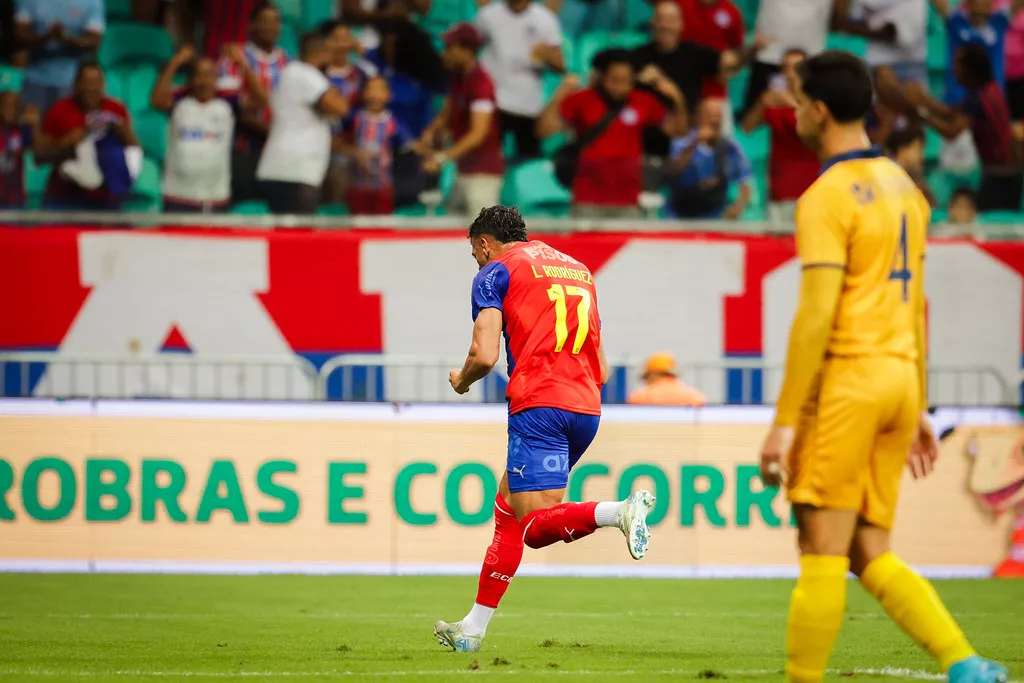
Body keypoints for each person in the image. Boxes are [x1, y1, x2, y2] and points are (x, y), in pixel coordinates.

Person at [758, 50, 1008, 683]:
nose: (790, 109)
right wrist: (918, 400)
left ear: (817, 110)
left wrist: (785, 423)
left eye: (794, 98)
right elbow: (915, 306)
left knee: (819, 546)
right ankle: (966, 664)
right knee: (868, 550)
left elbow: (816, 317)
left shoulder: (826, 196)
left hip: (849, 381)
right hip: (899, 380)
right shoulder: (908, 189)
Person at [433, 204, 656, 653]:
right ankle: (472, 629)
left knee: (532, 526)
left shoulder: (496, 271)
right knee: (506, 511)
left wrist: (462, 380)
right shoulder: (577, 270)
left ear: (483, 243)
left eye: (475, 253)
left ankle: (617, 512)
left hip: (540, 405)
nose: (478, 262)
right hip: (586, 407)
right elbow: (604, 368)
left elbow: (485, 355)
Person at [536, 49, 687, 218]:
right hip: (587, 200)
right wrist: (561, 92)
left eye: (626, 81)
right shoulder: (582, 99)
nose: (619, 87)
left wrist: (677, 98)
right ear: (601, 77)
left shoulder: (644, 101)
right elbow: (544, 130)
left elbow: (677, 131)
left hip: (628, 201)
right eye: (613, 80)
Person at [151, 45, 266, 213]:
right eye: (199, 75)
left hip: (215, 198)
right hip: (177, 195)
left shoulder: (228, 102)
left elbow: (261, 100)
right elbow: (156, 101)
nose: (204, 81)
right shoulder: (179, 100)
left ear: (216, 79)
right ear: (190, 79)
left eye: (210, 75)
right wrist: (176, 62)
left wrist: (242, 64)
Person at [911, 44, 1022, 211]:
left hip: (998, 176)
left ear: (970, 69)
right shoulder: (990, 89)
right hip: (1011, 172)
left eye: (957, 64)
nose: (953, 69)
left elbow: (951, 132)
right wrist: (924, 99)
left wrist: (919, 113)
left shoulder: (977, 99)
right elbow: (949, 112)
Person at [631, 1, 750, 156]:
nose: (666, 26)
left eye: (672, 20)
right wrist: (634, 77)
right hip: (646, 142)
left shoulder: (694, 53)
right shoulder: (636, 57)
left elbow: (729, 63)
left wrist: (746, 54)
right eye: (661, 20)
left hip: (685, 140)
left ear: (681, 24)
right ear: (652, 22)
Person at [255, 31, 351, 214]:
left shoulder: (293, 74)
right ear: (321, 53)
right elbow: (340, 107)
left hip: (289, 171)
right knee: (297, 236)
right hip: (293, 172)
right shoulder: (302, 72)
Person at [417, 23, 504, 217]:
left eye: (450, 48)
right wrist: (430, 133)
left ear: (467, 50)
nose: (444, 54)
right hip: (463, 170)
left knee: (484, 237)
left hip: (483, 175)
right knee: (453, 228)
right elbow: (447, 112)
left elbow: (478, 134)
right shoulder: (458, 77)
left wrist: (442, 158)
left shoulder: (482, 84)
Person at [36, 61, 139, 211]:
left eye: (97, 82)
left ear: (104, 85)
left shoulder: (116, 110)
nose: (92, 88)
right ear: (76, 84)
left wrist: (125, 133)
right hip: (65, 198)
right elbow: (39, 158)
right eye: (87, 82)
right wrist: (64, 143)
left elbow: (134, 151)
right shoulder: (59, 110)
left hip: (106, 200)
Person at [217, 1, 290, 204]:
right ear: (251, 25)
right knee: (243, 213)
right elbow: (232, 108)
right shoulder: (233, 59)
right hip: (243, 151)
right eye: (264, 21)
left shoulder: (289, 63)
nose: (270, 27)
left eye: (275, 21)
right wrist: (272, 132)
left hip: (280, 154)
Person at [476, 0, 565, 161]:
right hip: (494, 100)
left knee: (528, 164)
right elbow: (473, 49)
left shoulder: (545, 19)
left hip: (528, 104)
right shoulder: (488, 15)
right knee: (487, 160)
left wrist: (548, 57)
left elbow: (560, 67)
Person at [741, 48, 819, 225]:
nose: (790, 74)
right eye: (786, 68)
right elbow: (747, 127)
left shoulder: (819, 102)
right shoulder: (775, 102)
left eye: (796, 68)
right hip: (780, 191)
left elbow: (815, 132)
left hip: (813, 191)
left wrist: (791, 103)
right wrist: (762, 103)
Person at [666, 97, 753, 219]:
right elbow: (673, 171)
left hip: (714, 217)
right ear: (699, 116)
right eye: (709, 115)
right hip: (679, 215)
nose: (714, 120)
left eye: (718, 116)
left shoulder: (731, 148)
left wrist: (737, 208)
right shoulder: (681, 142)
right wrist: (695, 142)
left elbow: (746, 183)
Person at [15, 0, 104, 115]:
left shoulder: (92, 2)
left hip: (71, 83)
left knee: (69, 131)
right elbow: (19, 38)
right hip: (34, 80)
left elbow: (93, 43)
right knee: (31, 127)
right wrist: (45, 37)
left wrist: (67, 39)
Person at [322, 19, 377, 206]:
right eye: (336, 38)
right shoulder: (317, 73)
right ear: (325, 42)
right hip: (320, 146)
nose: (342, 44)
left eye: (346, 38)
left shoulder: (362, 74)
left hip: (352, 151)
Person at [340, 76, 411, 215]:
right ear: (363, 94)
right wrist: (354, 152)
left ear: (389, 95)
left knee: (382, 225)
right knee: (357, 223)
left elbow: (408, 145)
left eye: (380, 90)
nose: (375, 94)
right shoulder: (355, 119)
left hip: (383, 185)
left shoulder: (392, 122)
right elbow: (338, 141)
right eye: (371, 89)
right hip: (358, 184)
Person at [930, 0, 1024, 104]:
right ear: (968, 3)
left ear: (991, 3)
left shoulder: (999, 22)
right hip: (957, 100)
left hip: (989, 102)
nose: (979, 2)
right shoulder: (956, 21)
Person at [0, 90, 38, 208]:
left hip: (15, 200)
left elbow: (39, 155)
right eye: (6, 105)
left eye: (15, 106)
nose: (10, 109)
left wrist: (35, 126)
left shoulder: (22, 131)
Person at [884, 124, 937, 206]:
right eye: (917, 148)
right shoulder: (886, 172)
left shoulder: (916, 175)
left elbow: (932, 204)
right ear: (902, 149)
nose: (920, 155)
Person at [627, 353, 706, 406]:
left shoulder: (639, 397)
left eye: (646, 377)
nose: (646, 381)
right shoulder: (694, 396)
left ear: (653, 374)